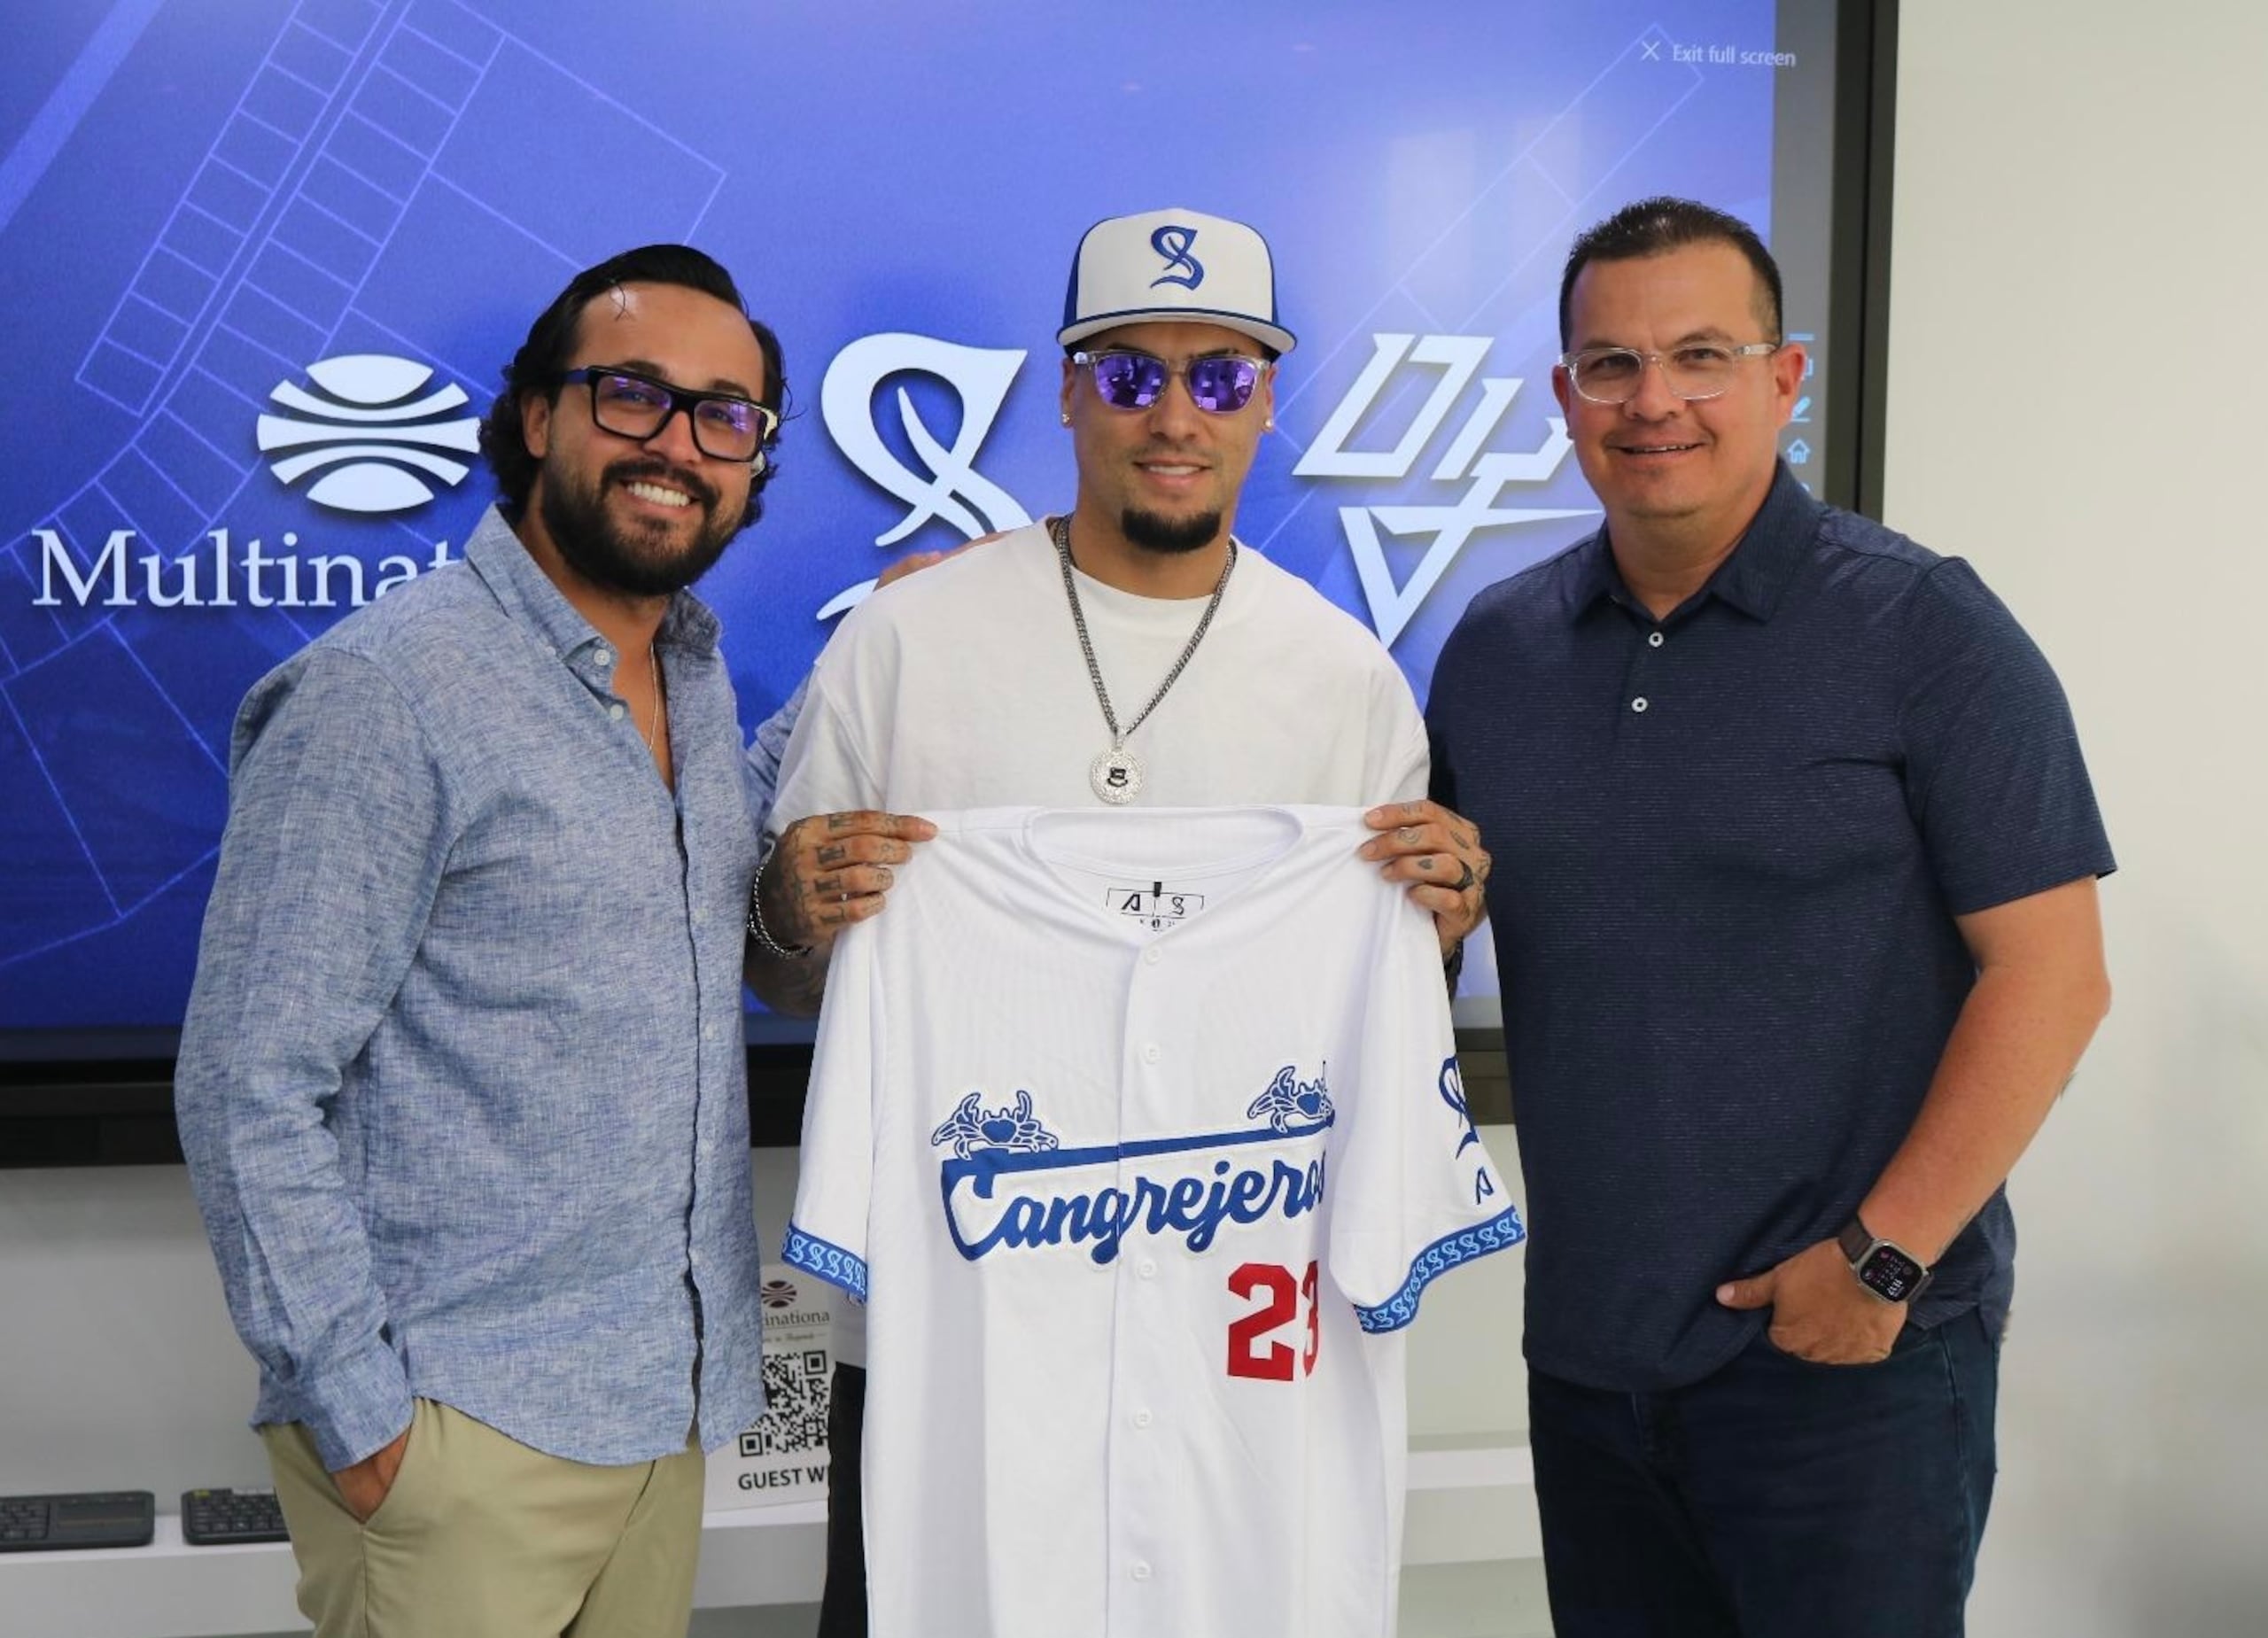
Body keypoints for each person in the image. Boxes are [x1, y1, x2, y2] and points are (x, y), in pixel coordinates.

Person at [741, 206, 1493, 1636]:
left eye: (1218, 377)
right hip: (957, 1344)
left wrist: (1435, 927)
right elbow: (790, 974)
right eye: (1132, 371)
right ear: (1070, 387)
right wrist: (792, 904)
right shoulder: (908, 642)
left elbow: (1389, 1014)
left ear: (1268, 400)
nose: (1173, 415)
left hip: (1240, 1359)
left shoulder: (1346, 684)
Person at [1428, 197, 2115, 1636]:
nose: (1653, 400)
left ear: (1784, 377)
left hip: (1851, 1365)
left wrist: (1878, 1260)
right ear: (1564, 394)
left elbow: (2054, 977)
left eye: (1701, 355)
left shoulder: (1926, 629)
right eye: (1609, 365)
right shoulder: (1495, 652)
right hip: (1591, 1357)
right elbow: (1426, 930)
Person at [176, 244, 787, 1638]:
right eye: (633, 394)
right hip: (462, 1442)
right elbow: (243, 1082)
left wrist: (919, 627)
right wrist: (371, 1428)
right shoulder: (384, 692)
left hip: (663, 1417)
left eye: (723, 416)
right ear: (538, 417)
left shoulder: (692, 675)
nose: (677, 445)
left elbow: (716, 879)